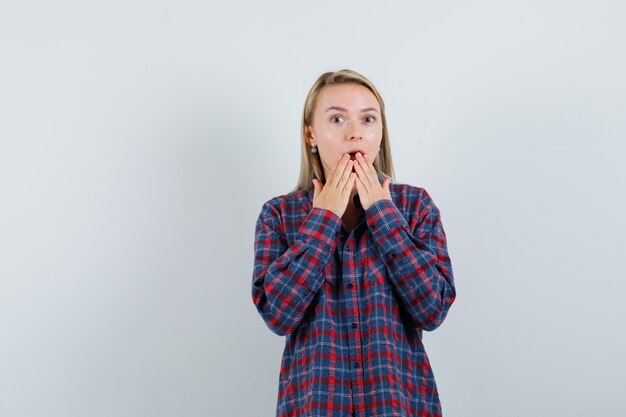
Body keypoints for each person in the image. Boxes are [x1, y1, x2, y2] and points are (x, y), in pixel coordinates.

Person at [251, 69, 456, 417]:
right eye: (336, 118)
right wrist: (323, 218)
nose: (354, 133)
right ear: (310, 134)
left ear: (380, 133)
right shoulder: (279, 215)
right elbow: (278, 314)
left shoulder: (415, 206)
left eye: (368, 119)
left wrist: (382, 212)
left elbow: (433, 308)